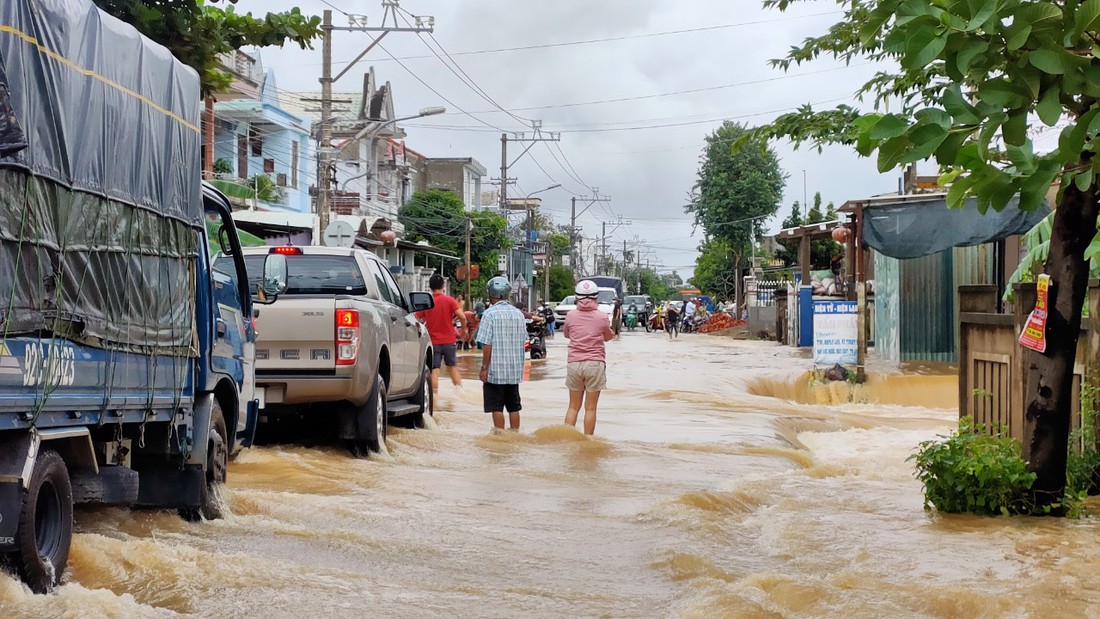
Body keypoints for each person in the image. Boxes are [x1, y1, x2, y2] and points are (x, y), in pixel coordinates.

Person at [563, 280, 615, 435]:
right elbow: (608, 337)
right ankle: (588, 441)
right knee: (590, 408)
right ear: (596, 297)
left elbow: (567, 334)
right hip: (595, 364)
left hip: (574, 363)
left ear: (577, 297)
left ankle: (567, 439)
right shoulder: (602, 316)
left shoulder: (570, 315)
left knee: (573, 406)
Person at [477, 276, 528, 431]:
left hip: (495, 371)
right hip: (514, 371)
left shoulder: (489, 314)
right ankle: (515, 435)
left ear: (491, 294)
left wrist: (484, 368)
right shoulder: (519, 314)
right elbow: (524, 341)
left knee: (496, 407)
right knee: (514, 406)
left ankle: (500, 437)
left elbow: (487, 344)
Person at [416, 273, 467, 391]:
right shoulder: (450, 300)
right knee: (453, 369)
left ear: (430, 287)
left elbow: (416, 317)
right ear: (443, 286)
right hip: (449, 341)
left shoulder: (427, 302)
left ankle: (435, 400)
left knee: (434, 371)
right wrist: (463, 330)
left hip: (433, 342)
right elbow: (462, 317)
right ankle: (461, 395)